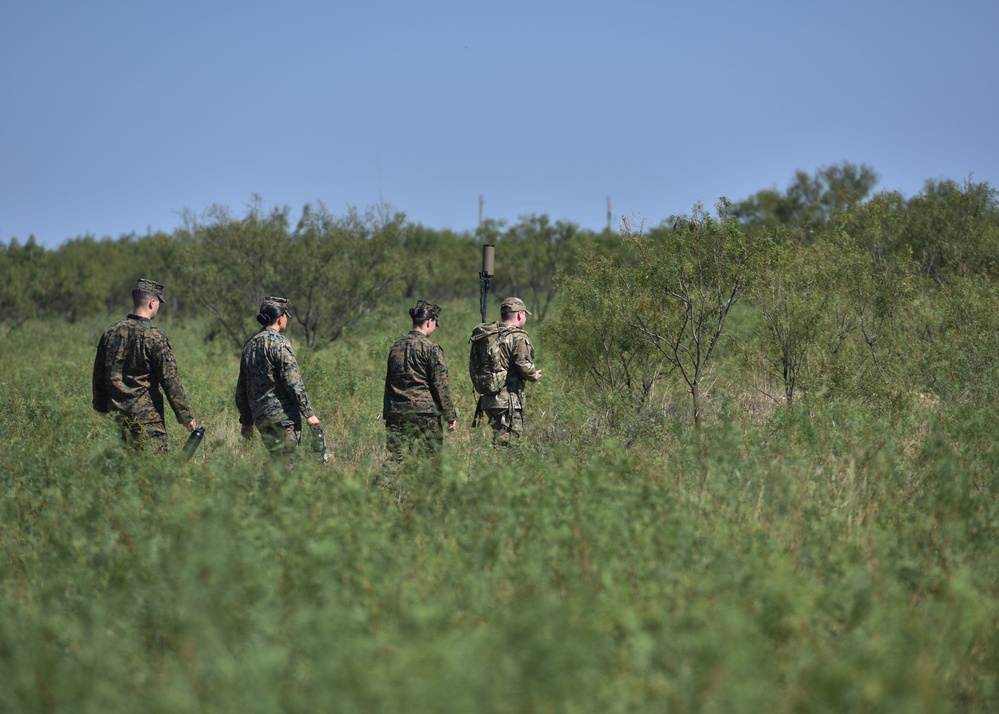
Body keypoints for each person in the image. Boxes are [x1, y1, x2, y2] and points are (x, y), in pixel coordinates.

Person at [92, 278, 197, 453]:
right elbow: (170, 381)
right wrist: (186, 416)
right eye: (158, 303)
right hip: (147, 420)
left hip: (117, 417)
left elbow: (98, 374)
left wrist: (101, 407)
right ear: (152, 302)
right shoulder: (155, 337)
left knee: (128, 471)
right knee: (153, 471)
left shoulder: (110, 332)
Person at [235, 296, 320, 456]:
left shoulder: (249, 345)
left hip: (262, 419)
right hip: (283, 418)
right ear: (281, 318)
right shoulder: (280, 343)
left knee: (278, 463)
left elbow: (242, 387)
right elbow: (293, 382)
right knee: (288, 465)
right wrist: (309, 413)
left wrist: (246, 421)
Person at [382, 300, 457, 462]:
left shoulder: (396, 346)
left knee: (397, 459)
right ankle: (426, 488)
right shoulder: (431, 348)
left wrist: (387, 413)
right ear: (429, 322)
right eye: (436, 324)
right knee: (430, 461)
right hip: (425, 414)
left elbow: (389, 383)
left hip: (397, 412)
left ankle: (384, 486)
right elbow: (440, 384)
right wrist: (450, 414)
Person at [476, 296, 542, 446]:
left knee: (499, 440)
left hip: (488, 400)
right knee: (508, 446)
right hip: (508, 401)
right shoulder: (518, 336)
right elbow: (523, 365)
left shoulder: (490, 334)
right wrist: (534, 375)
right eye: (524, 313)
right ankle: (499, 469)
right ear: (519, 314)